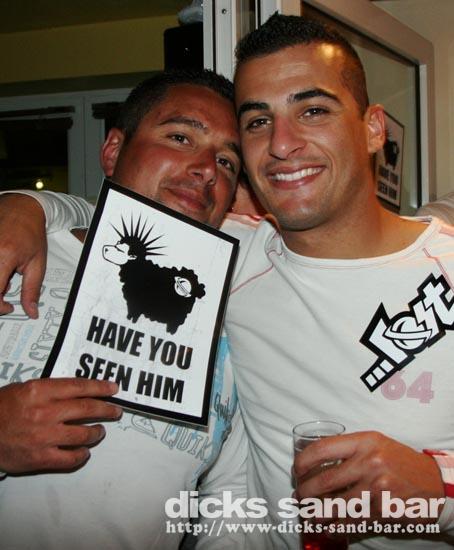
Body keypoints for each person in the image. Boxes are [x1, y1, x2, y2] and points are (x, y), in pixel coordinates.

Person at [2, 15, 454, 549]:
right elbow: (118, 214)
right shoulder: (223, 263)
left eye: (313, 110)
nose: (282, 144)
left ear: (374, 129)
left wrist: (440, 490)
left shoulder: (441, 263)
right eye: (259, 122)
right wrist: (28, 205)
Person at [0, 68, 248, 549]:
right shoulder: (17, 252)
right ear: (113, 151)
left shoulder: (232, 318)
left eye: (226, 161)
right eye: (180, 137)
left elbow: (229, 498)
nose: (207, 169)